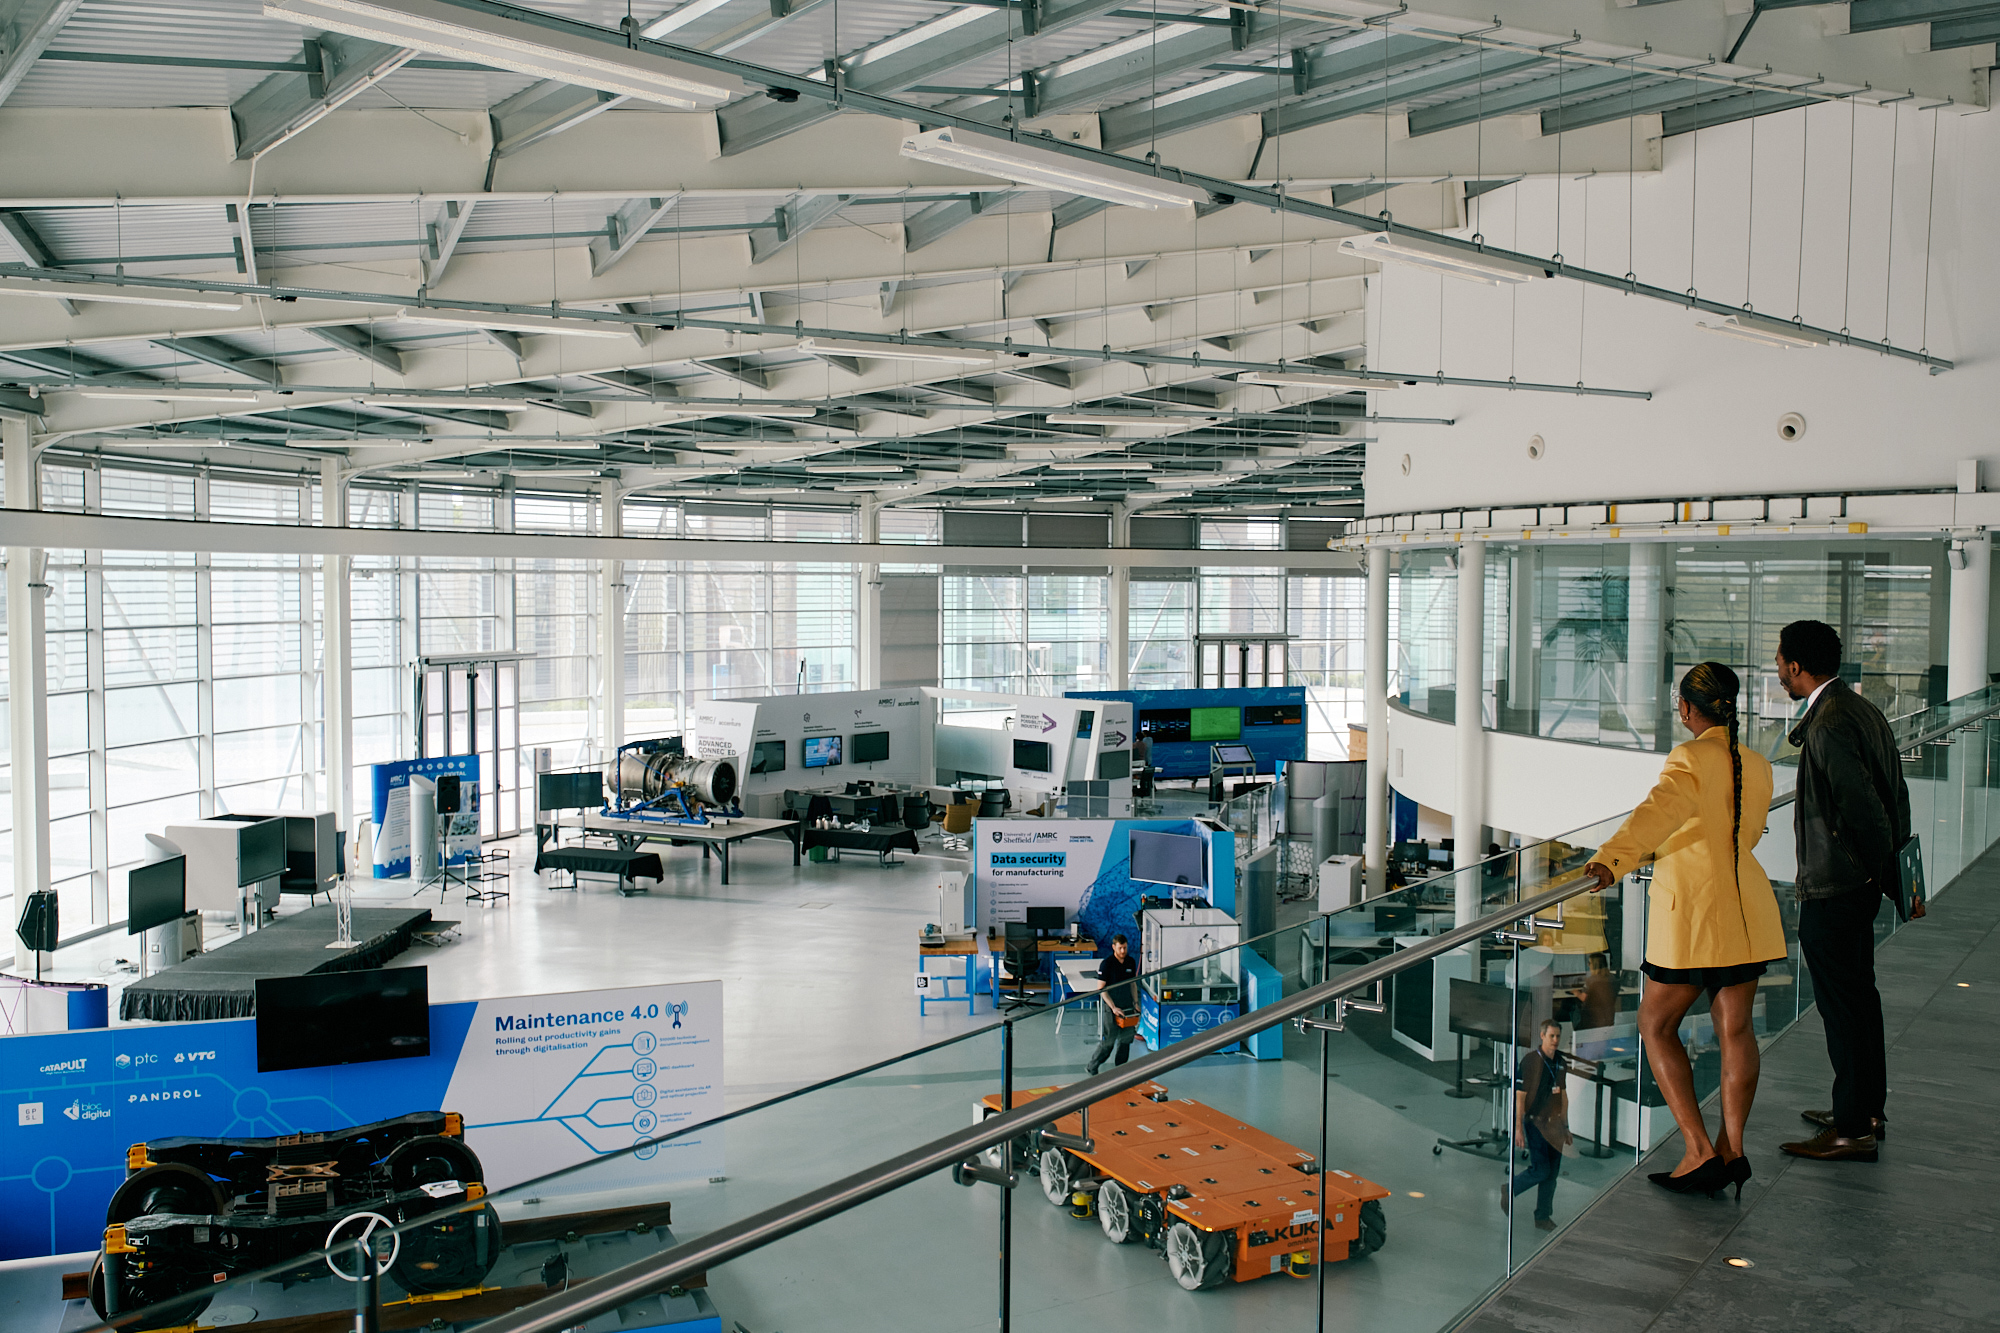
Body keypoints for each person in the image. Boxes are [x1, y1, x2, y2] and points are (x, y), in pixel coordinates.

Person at [1582, 661, 1783, 1200]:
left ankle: (1697, 1152)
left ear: (1688, 708)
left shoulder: (1690, 757)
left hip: (1695, 913)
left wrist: (1612, 860)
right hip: (1746, 910)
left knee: (1654, 1022)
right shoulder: (1758, 763)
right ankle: (1732, 1150)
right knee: (1735, 1028)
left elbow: (1659, 810)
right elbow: (1752, 832)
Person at [1772, 619, 1912, 1163]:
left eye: (1781, 661)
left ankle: (1852, 1128)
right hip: (1857, 883)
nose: (1778, 670)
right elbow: (1894, 796)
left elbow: (1864, 810)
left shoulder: (1829, 723)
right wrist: (1891, 873)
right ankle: (1863, 1108)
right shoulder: (1860, 709)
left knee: (1843, 1007)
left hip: (1837, 886)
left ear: (1798, 667)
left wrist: (1883, 874)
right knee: (1860, 999)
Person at [1506, 1019, 1571, 1231]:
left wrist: (1566, 1126)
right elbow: (1520, 1097)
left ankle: (1542, 1217)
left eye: (1558, 1036)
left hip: (1555, 1126)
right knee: (1541, 1170)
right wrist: (1518, 1129)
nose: (1555, 1040)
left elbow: (1563, 1095)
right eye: (1551, 1036)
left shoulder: (1561, 1061)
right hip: (1535, 1124)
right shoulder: (1530, 1061)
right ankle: (1510, 1189)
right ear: (1542, 1036)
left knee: (1551, 1174)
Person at [1086, 934, 1140, 1076]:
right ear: (1114, 947)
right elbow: (1101, 989)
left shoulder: (1130, 962)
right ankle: (1093, 1066)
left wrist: (1136, 1003)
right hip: (1111, 1007)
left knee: (1126, 1040)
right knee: (1109, 1041)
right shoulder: (1107, 964)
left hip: (1127, 1006)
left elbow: (1133, 984)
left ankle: (1120, 1070)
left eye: (1125, 948)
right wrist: (1113, 1007)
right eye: (1120, 948)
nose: (1123, 951)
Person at [1569, 952, 1617, 1031]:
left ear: (1595, 965)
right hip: (1608, 1017)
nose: (1588, 965)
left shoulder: (1591, 981)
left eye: (1589, 963)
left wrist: (1576, 993)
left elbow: (1585, 998)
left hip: (1590, 1019)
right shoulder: (1612, 979)